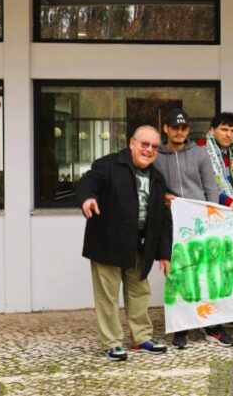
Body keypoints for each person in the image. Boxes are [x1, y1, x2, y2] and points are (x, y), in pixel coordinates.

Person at [76, 125, 171, 361]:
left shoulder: (157, 178)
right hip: (108, 242)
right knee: (107, 296)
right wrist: (88, 198)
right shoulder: (108, 165)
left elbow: (162, 219)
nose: (148, 150)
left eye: (154, 147)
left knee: (140, 293)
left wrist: (164, 254)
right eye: (144, 144)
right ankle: (112, 342)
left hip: (140, 246)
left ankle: (142, 337)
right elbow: (87, 182)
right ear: (132, 143)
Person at [154, 109, 233, 349]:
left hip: (201, 223)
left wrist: (213, 221)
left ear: (188, 130)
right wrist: (162, 198)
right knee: (177, 275)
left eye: (184, 128)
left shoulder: (200, 153)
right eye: (174, 127)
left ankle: (213, 327)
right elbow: (152, 189)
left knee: (208, 275)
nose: (179, 132)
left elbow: (211, 189)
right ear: (166, 129)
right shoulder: (156, 156)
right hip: (171, 223)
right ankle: (182, 328)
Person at [196, 112, 233, 211]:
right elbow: (204, 186)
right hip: (210, 210)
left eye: (232, 131)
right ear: (212, 130)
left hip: (231, 208)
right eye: (224, 129)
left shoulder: (232, 152)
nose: (229, 135)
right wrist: (229, 202)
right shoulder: (201, 150)